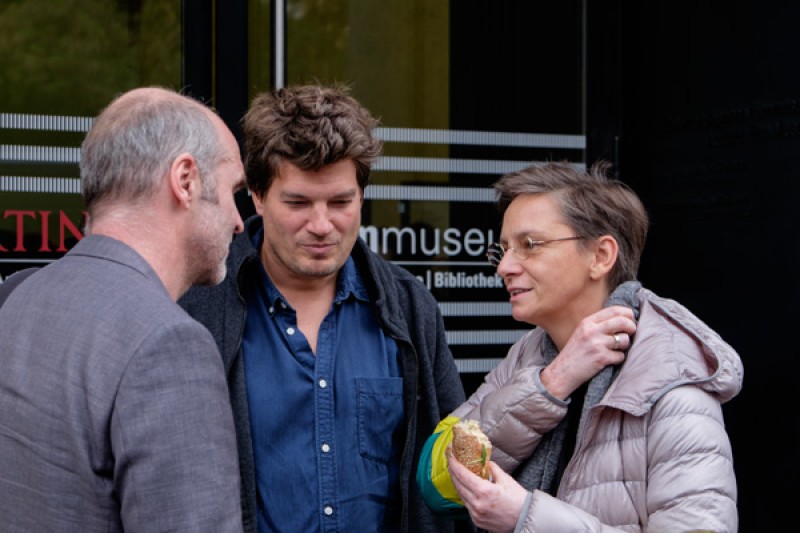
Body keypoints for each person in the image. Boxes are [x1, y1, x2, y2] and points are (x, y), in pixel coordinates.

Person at [179, 84, 468, 533]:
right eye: (297, 203)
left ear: (361, 197)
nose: (320, 225)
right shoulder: (198, 306)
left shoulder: (410, 309)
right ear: (256, 195)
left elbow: (451, 474)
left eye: (340, 202)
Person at [416, 161, 743, 532]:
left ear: (601, 256)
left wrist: (527, 518)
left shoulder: (669, 373)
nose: (504, 266)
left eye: (529, 245)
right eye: (504, 249)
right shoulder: (532, 354)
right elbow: (435, 483)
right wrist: (552, 382)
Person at [0, 87, 247, 532]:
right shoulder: (169, 344)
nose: (238, 220)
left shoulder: (19, 297)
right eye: (233, 191)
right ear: (185, 180)